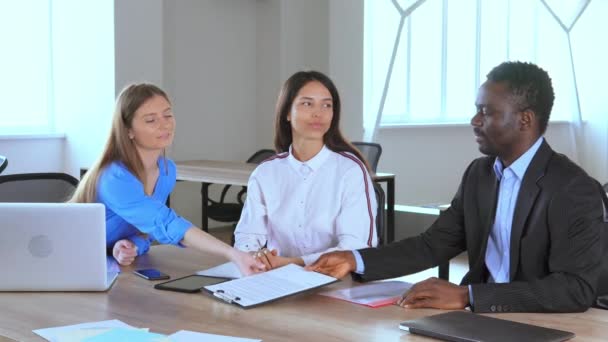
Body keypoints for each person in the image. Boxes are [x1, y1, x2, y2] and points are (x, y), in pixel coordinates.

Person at [308, 61, 607, 313]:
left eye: (486, 112)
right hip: (477, 319)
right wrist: (354, 259)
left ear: (525, 120)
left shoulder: (573, 188)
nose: (474, 120)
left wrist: (469, 296)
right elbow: (433, 244)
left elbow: (575, 288)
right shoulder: (480, 175)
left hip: (539, 323)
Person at [70, 83, 264, 276]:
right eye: (151, 120)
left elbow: (147, 230)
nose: (165, 125)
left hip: (102, 263)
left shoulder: (166, 170)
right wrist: (233, 254)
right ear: (129, 130)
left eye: (168, 115)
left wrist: (130, 245)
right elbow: (164, 222)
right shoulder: (115, 177)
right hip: (70, 259)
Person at [234, 70, 378, 269]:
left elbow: (357, 246)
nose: (318, 113)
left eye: (326, 105)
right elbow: (247, 236)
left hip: (336, 281)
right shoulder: (266, 172)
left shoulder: (350, 171)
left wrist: (293, 263)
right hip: (276, 278)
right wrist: (255, 257)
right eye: (307, 103)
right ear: (286, 112)